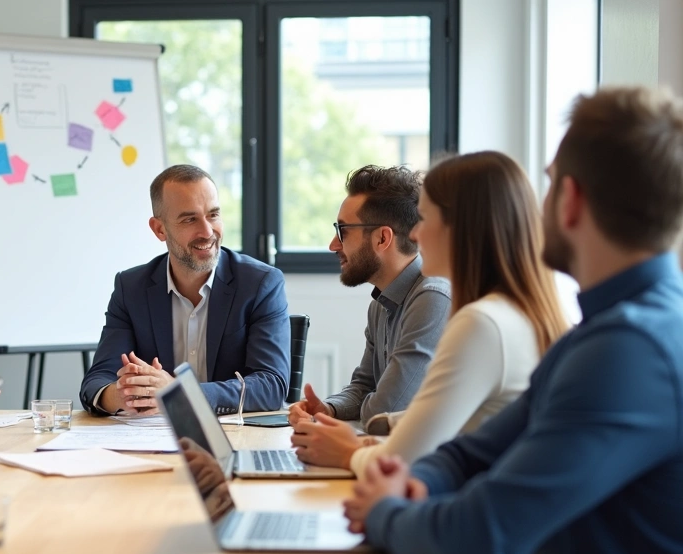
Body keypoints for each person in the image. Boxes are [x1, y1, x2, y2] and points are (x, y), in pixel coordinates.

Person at [343, 87, 683, 554]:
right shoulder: (606, 332)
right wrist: (413, 482)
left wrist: (384, 509)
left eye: (548, 183)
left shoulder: (631, 351)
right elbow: (471, 454)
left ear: (570, 200)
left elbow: (480, 535)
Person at [290, 151, 570, 475]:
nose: (416, 235)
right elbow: (444, 432)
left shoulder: (479, 321)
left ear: (460, 228)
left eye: (425, 219)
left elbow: (402, 440)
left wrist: (349, 448)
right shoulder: (500, 313)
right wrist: (338, 420)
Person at [79, 164, 290, 416]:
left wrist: (180, 393)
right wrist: (123, 393)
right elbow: (97, 381)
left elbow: (271, 385)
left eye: (213, 215)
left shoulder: (260, 284)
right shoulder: (131, 288)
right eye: (190, 219)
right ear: (159, 229)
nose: (207, 231)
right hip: (153, 439)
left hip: (233, 436)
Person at [288, 165, 451, 429]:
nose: (333, 245)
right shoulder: (381, 303)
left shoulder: (432, 298)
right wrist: (328, 409)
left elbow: (386, 409)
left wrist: (357, 406)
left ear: (382, 238)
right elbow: (364, 386)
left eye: (343, 231)